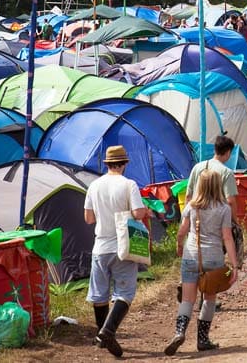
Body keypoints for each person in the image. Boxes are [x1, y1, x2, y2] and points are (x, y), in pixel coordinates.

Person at [83, 145, 149, 357]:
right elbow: (138, 213)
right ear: (124, 164)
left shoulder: (94, 185)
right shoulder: (129, 184)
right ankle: (107, 332)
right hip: (123, 246)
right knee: (125, 293)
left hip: (100, 247)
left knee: (99, 295)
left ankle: (102, 333)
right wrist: (145, 209)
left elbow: (89, 218)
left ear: (108, 164)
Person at [165, 170, 239, 354]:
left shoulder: (191, 206)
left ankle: (179, 331)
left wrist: (179, 246)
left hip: (191, 256)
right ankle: (203, 339)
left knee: (188, 299)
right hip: (214, 259)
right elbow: (227, 237)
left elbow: (182, 231)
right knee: (209, 298)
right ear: (218, 186)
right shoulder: (224, 208)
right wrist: (234, 264)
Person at [185, 136, 238, 217]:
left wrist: (186, 218)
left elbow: (188, 196)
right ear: (228, 152)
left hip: (196, 218)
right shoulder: (227, 172)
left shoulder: (197, 167)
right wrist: (235, 222)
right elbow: (230, 201)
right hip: (217, 221)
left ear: (215, 150)